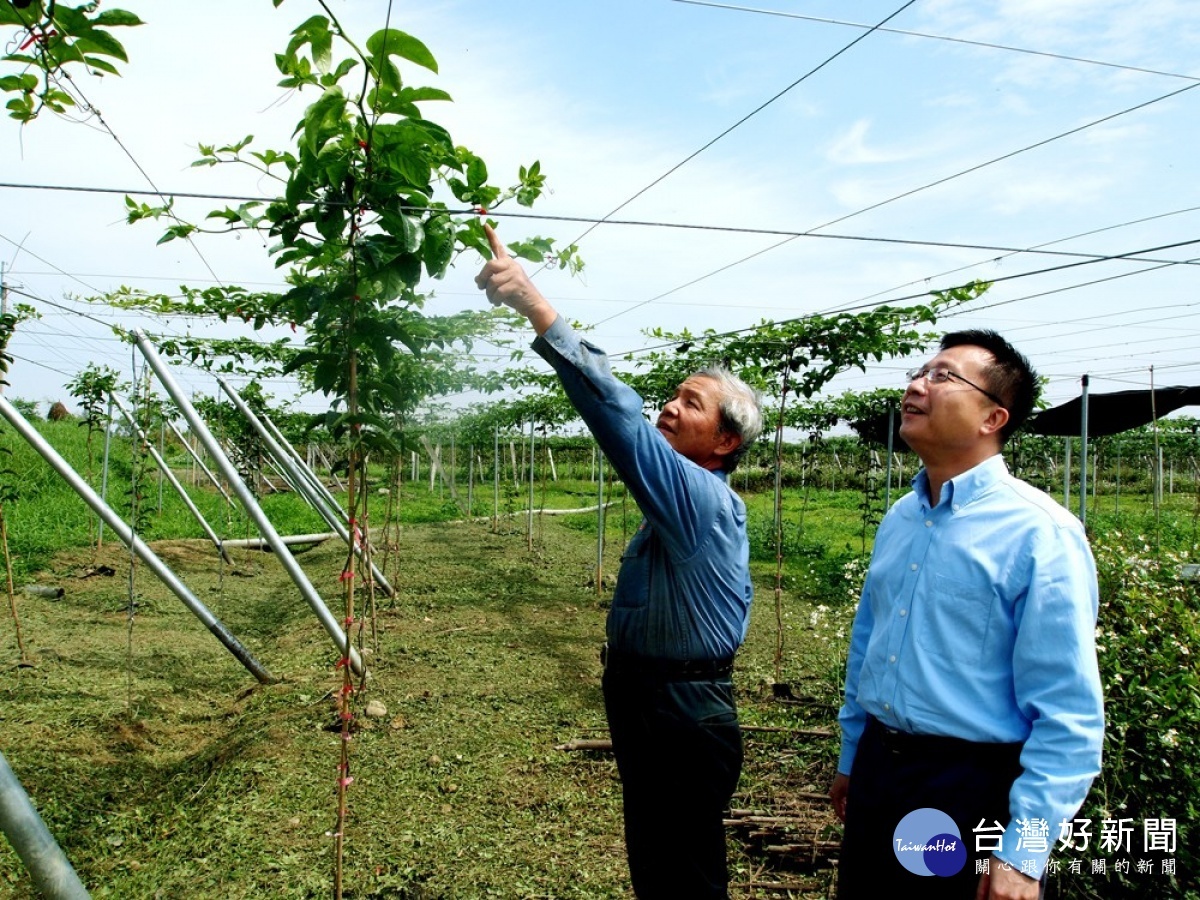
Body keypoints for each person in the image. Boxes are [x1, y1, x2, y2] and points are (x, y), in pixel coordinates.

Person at [475, 223, 763, 899]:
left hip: (683, 713)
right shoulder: (683, 503)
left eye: (689, 403)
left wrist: (538, 309)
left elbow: (620, 421)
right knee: (659, 867)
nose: (669, 406)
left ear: (724, 441)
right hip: (651, 703)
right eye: (674, 394)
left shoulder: (701, 500)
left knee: (684, 876)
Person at [829, 330, 1104, 900]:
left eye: (942, 376)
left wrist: (1024, 854)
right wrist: (854, 755)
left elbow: (1068, 713)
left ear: (992, 418)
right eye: (919, 371)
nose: (915, 384)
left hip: (965, 786)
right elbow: (869, 645)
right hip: (882, 769)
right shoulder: (902, 518)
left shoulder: (1040, 534)